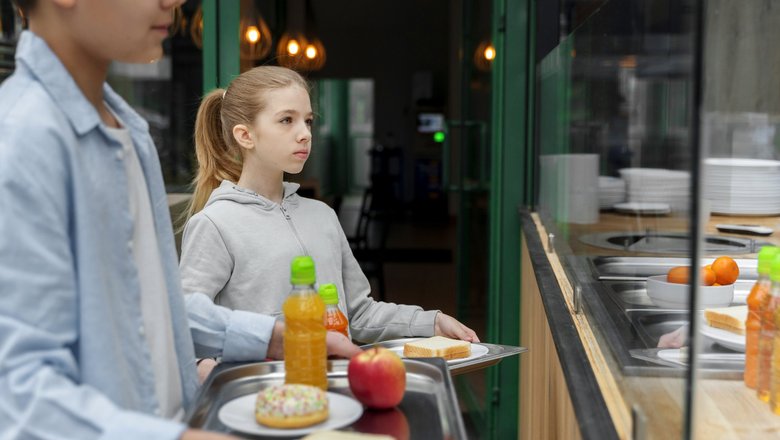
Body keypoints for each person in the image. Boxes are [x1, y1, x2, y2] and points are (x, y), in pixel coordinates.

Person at [0, 1, 360, 439]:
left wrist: (277, 337)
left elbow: (155, 308)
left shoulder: (128, 132)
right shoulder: (21, 141)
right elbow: (18, 399)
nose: (174, 0)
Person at [179, 65, 480, 355]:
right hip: (267, 398)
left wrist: (432, 321)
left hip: (335, 389)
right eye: (287, 120)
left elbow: (357, 312)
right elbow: (187, 323)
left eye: (307, 121)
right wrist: (205, 365)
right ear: (245, 135)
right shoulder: (214, 223)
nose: (305, 133)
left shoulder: (322, 216)